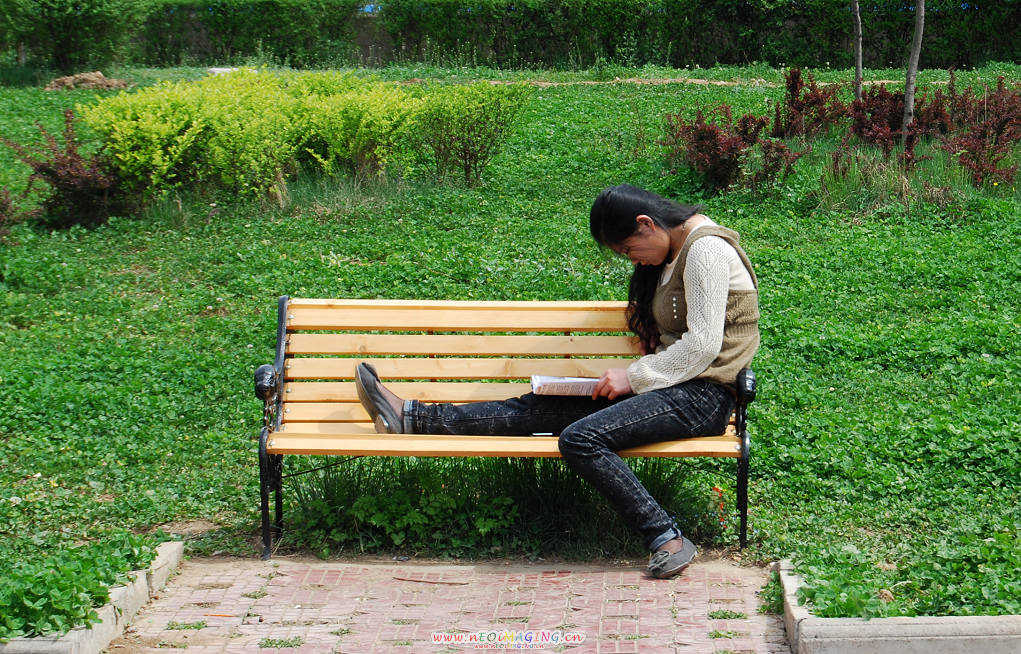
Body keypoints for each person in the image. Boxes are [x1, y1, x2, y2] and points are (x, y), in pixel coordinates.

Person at [355, 183, 759, 579]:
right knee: (537, 407)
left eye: (628, 250)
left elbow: (704, 346)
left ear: (646, 224)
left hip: (702, 399)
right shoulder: (674, 252)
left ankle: (666, 538)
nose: (634, 261)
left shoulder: (705, 248)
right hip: (673, 390)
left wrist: (634, 376)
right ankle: (411, 417)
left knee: (581, 438)